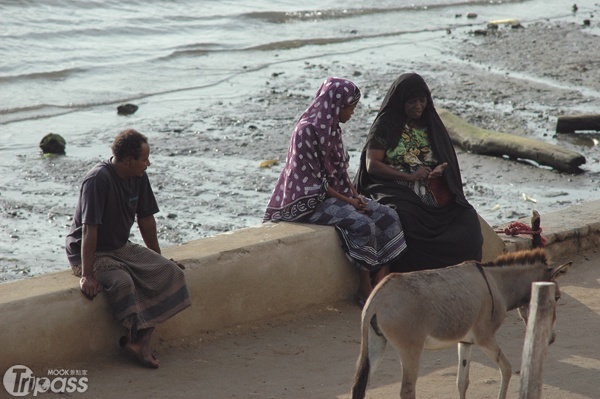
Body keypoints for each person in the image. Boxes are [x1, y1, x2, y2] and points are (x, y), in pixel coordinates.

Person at [263, 77, 406, 306]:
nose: (352, 113)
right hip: (309, 202)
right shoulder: (306, 131)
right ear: (336, 105)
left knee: (388, 216)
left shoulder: (333, 130)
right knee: (363, 225)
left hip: (336, 194)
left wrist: (356, 197)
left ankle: (381, 281)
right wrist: (349, 201)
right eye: (350, 108)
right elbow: (317, 183)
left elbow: (340, 172)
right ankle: (364, 288)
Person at [65, 128, 191, 369]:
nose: (148, 164)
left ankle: (141, 341)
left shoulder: (139, 177)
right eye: (145, 159)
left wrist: (158, 259)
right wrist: (87, 274)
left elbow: (146, 220)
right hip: (91, 251)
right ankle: (136, 339)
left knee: (170, 272)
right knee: (123, 282)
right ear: (129, 160)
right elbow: (89, 229)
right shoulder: (97, 180)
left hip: (120, 246)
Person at [354, 72, 483, 272]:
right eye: (412, 101)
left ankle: (458, 273)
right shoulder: (385, 126)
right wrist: (408, 177)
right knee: (406, 219)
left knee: (466, 218)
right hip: (393, 187)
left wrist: (439, 170)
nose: (418, 106)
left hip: (430, 190)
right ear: (401, 102)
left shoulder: (430, 123)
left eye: (422, 100)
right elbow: (373, 165)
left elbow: (443, 157)